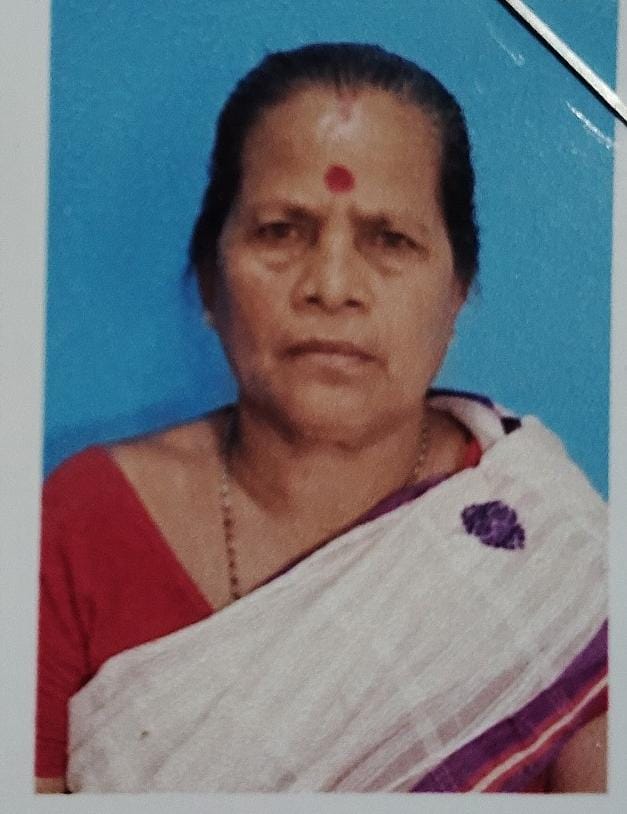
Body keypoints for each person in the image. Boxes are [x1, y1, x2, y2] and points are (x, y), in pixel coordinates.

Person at [36, 42, 607, 794]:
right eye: (281, 230)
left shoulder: (556, 560)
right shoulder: (81, 526)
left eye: (390, 240)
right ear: (208, 280)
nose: (332, 286)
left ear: (456, 293)